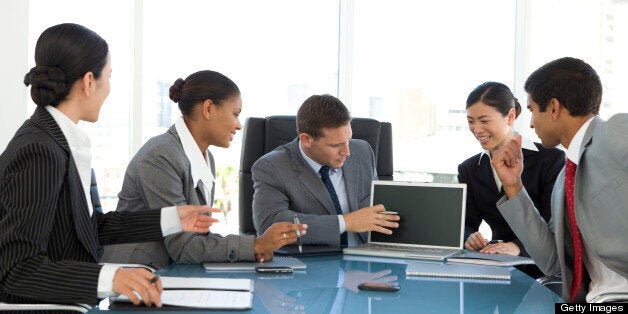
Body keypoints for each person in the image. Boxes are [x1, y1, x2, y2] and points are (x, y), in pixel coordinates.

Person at [0, 23, 217, 307]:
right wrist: (109, 278)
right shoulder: (40, 149)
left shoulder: (59, 140)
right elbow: (16, 268)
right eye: (109, 76)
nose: (109, 88)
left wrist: (173, 218)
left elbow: (88, 228)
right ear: (89, 81)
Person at [101, 70, 306, 268]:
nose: (238, 125)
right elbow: (183, 246)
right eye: (235, 114)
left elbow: (199, 237)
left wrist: (253, 249)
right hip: (136, 273)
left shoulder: (206, 158)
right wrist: (255, 245)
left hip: (170, 271)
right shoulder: (161, 155)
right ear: (208, 109)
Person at [492, 57, 628, 302]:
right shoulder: (563, 181)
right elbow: (553, 262)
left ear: (553, 108)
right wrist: (513, 186)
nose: (531, 123)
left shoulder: (616, 131)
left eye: (533, 110)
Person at [252, 94, 399, 247]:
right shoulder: (271, 167)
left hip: (368, 257)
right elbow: (270, 224)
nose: (347, 152)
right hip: (317, 262)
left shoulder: (362, 151)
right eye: (336, 145)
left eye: (348, 140)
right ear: (306, 139)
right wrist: (345, 222)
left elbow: (378, 206)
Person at [458, 82, 564, 277]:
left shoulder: (550, 160)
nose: (477, 129)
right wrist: (469, 237)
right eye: (471, 121)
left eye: (484, 120)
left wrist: (516, 246)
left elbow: (554, 225)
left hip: (542, 268)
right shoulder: (469, 169)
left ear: (510, 116)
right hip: (494, 265)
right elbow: (464, 222)